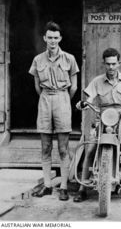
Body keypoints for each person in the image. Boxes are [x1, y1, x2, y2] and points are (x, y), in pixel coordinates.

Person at [73, 48, 121, 202]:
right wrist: (83, 103)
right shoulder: (97, 81)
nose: (111, 67)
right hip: (102, 118)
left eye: (114, 64)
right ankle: (82, 189)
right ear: (104, 64)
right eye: (108, 64)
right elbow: (88, 98)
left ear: (119, 63)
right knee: (91, 148)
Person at [29, 21, 79, 201]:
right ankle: (48, 186)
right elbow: (36, 86)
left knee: (63, 148)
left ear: (60, 39)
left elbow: (74, 87)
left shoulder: (69, 59)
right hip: (44, 99)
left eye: (55, 38)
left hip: (62, 98)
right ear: (44, 38)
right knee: (45, 146)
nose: (52, 41)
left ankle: (64, 186)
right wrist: (47, 97)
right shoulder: (38, 60)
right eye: (49, 37)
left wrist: (63, 99)